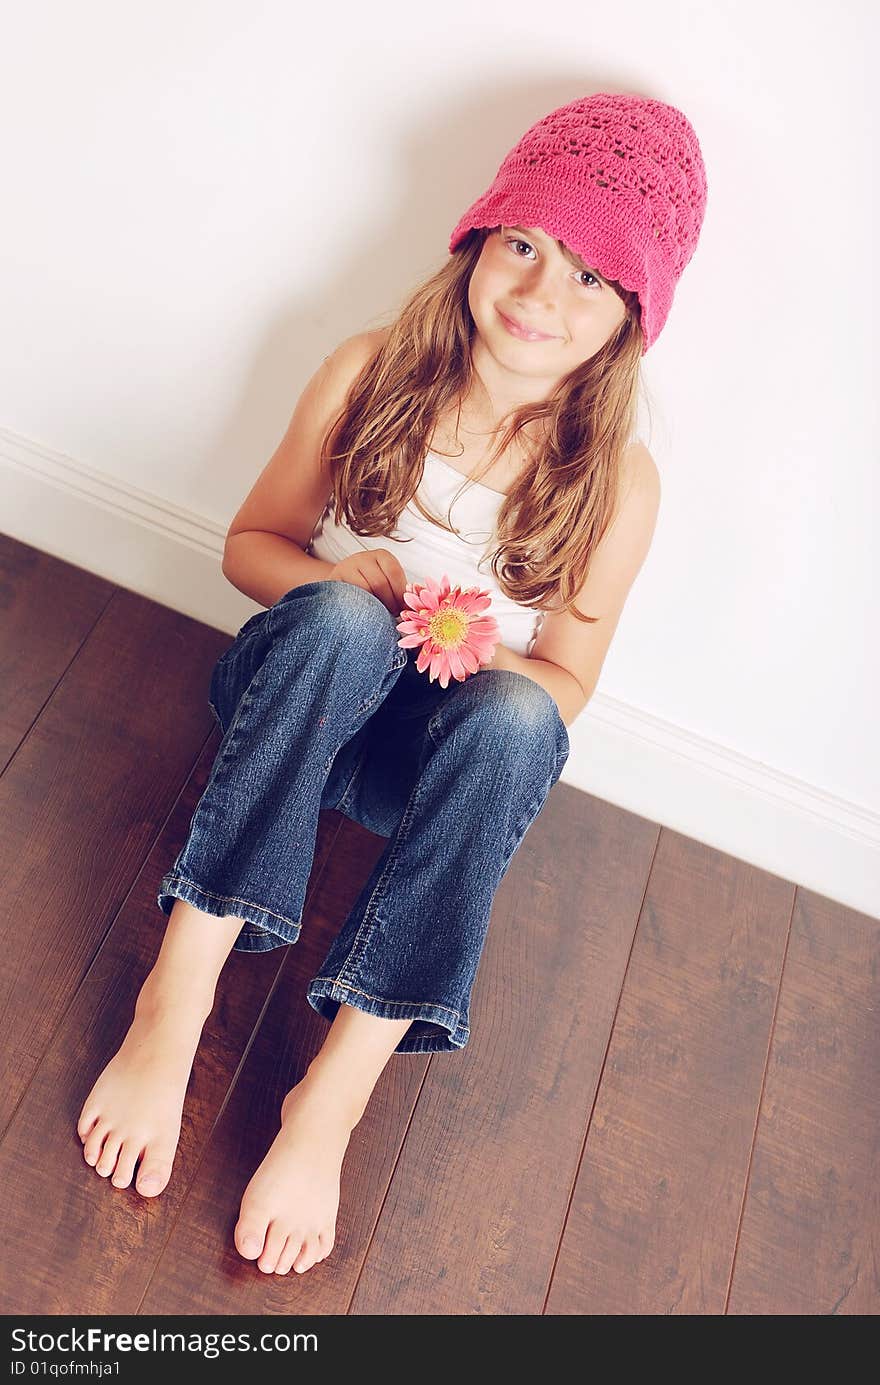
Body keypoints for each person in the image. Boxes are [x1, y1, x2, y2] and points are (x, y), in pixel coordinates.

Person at [75, 92, 708, 1278]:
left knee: (519, 720)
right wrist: (344, 583)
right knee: (333, 627)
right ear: (476, 241)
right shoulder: (372, 372)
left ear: (632, 315)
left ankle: (338, 1089)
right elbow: (249, 543)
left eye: (589, 278)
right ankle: (178, 993)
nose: (539, 296)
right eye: (523, 245)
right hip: (301, 705)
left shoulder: (616, 483)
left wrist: (486, 659)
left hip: (419, 766)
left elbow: (565, 686)